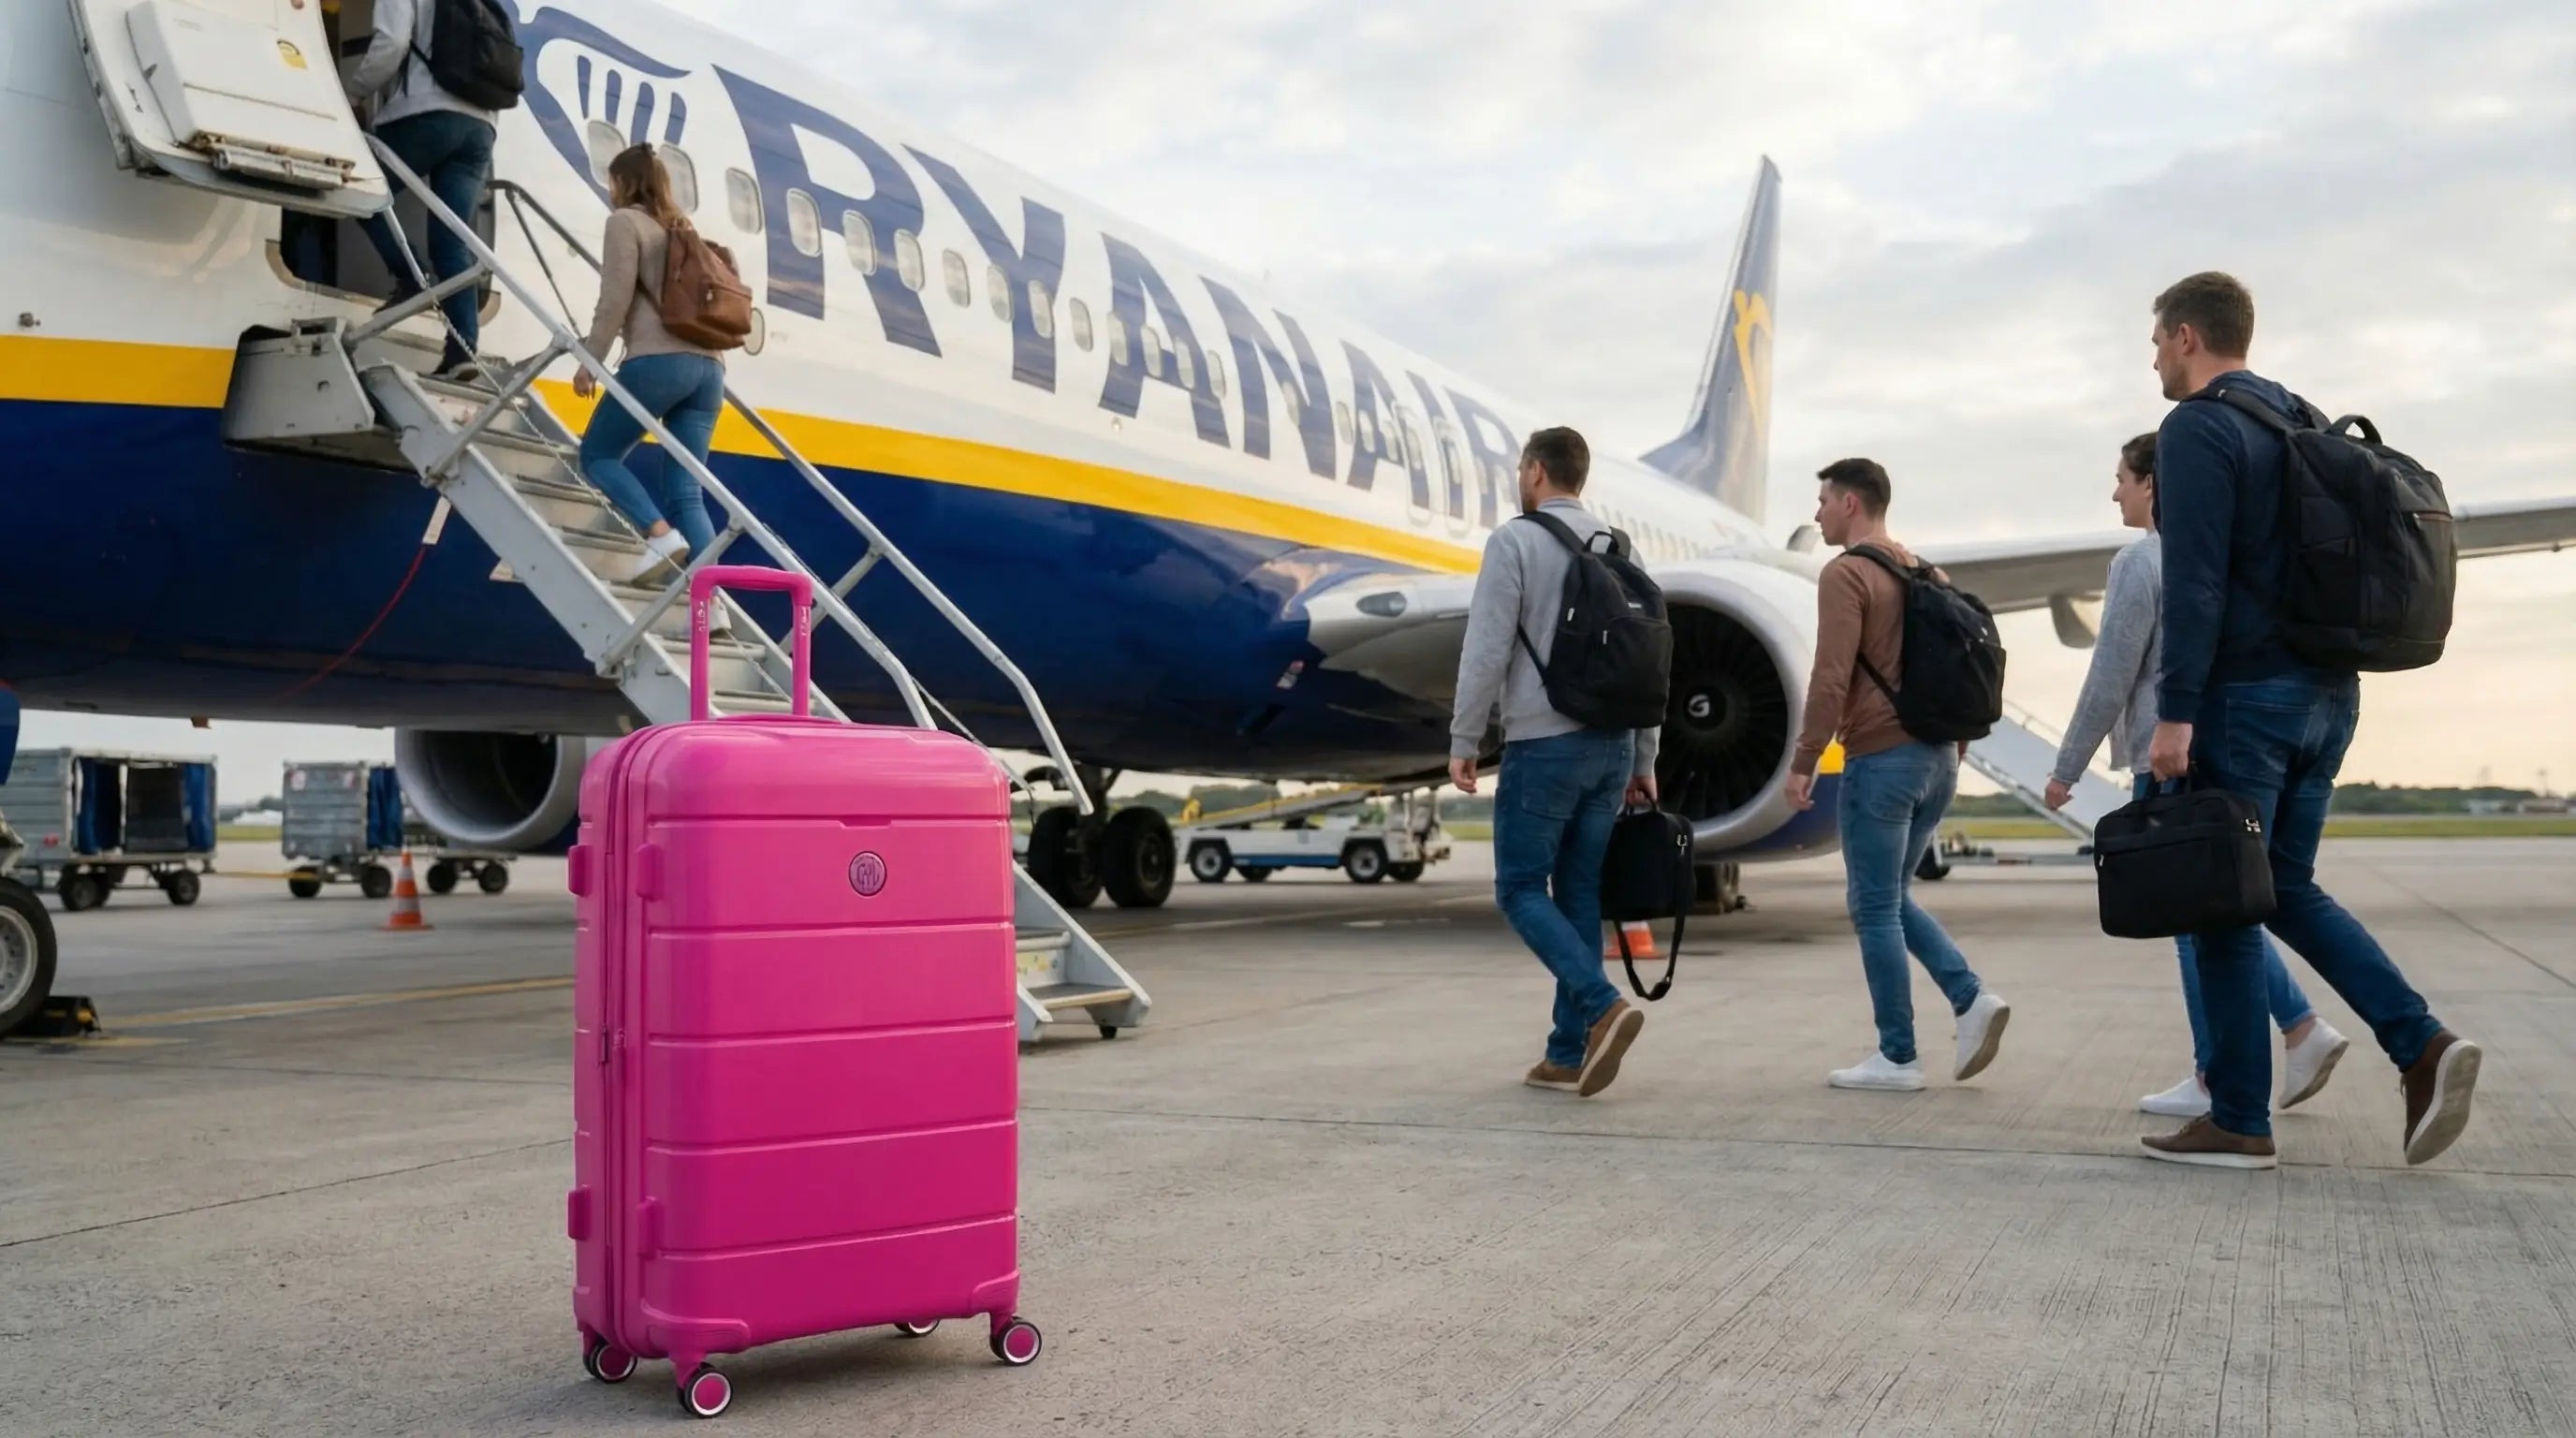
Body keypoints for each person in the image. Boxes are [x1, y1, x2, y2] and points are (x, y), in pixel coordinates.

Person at [2142, 271, 2480, 1169]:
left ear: (2186, 336)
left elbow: (2195, 584)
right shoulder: (2299, 418)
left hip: (2245, 702)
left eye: (2157, 343)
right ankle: (2422, 1045)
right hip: (2329, 696)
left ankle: (2238, 1120)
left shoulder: (2199, 427)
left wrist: (2174, 716)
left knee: (2221, 905)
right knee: (2285, 887)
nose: (2155, 362)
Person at [2045, 433, 2349, 1119]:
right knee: (2221, 913)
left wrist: (2067, 767)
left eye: (2122, 479)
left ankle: (2222, 1074)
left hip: (2166, 758)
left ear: (2153, 483)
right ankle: (2298, 1029)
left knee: (2197, 921)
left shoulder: (2141, 560)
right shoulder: (2224, 554)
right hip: (2232, 746)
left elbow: (2111, 673)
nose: (2115, 493)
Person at [1448, 428, 1659, 1098]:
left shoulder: (1515, 542)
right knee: (1578, 894)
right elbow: (1647, 661)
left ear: (1536, 472)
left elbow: (1485, 649)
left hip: (1545, 744)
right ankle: (1566, 1053)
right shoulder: (1620, 549)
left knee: (1518, 889)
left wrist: (1464, 739)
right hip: (1614, 747)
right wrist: (1645, 756)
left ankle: (1602, 1006)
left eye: (1521, 469)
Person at [1787, 459, 2009, 1093]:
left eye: (1824, 500)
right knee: (1887, 898)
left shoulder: (1847, 573)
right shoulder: (1928, 573)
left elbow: (1830, 677)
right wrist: (1955, 745)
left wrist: (1804, 761)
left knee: (1873, 908)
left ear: (1851, 504)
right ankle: (1969, 999)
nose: (1817, 513)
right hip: (1939, 761)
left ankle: (1899, 1055)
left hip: (1883, 759)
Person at [575, 145, 726, 583]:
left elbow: (614, 300)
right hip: (710, 370)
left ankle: (659, 535)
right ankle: (709, 600)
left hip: (660, 363)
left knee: (598, 455)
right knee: (686, 492)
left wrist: (590, 361)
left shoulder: (625, 222)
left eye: (612, 182)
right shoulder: (682, 228)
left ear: (624, 183)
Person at [345, 0, 500, 382]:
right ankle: (463, 352)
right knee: (452, 240)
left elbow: (393, 42)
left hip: (425, 113)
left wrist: (353, 93)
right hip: (481, 127)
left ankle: (410, 275)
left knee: (360, 190)